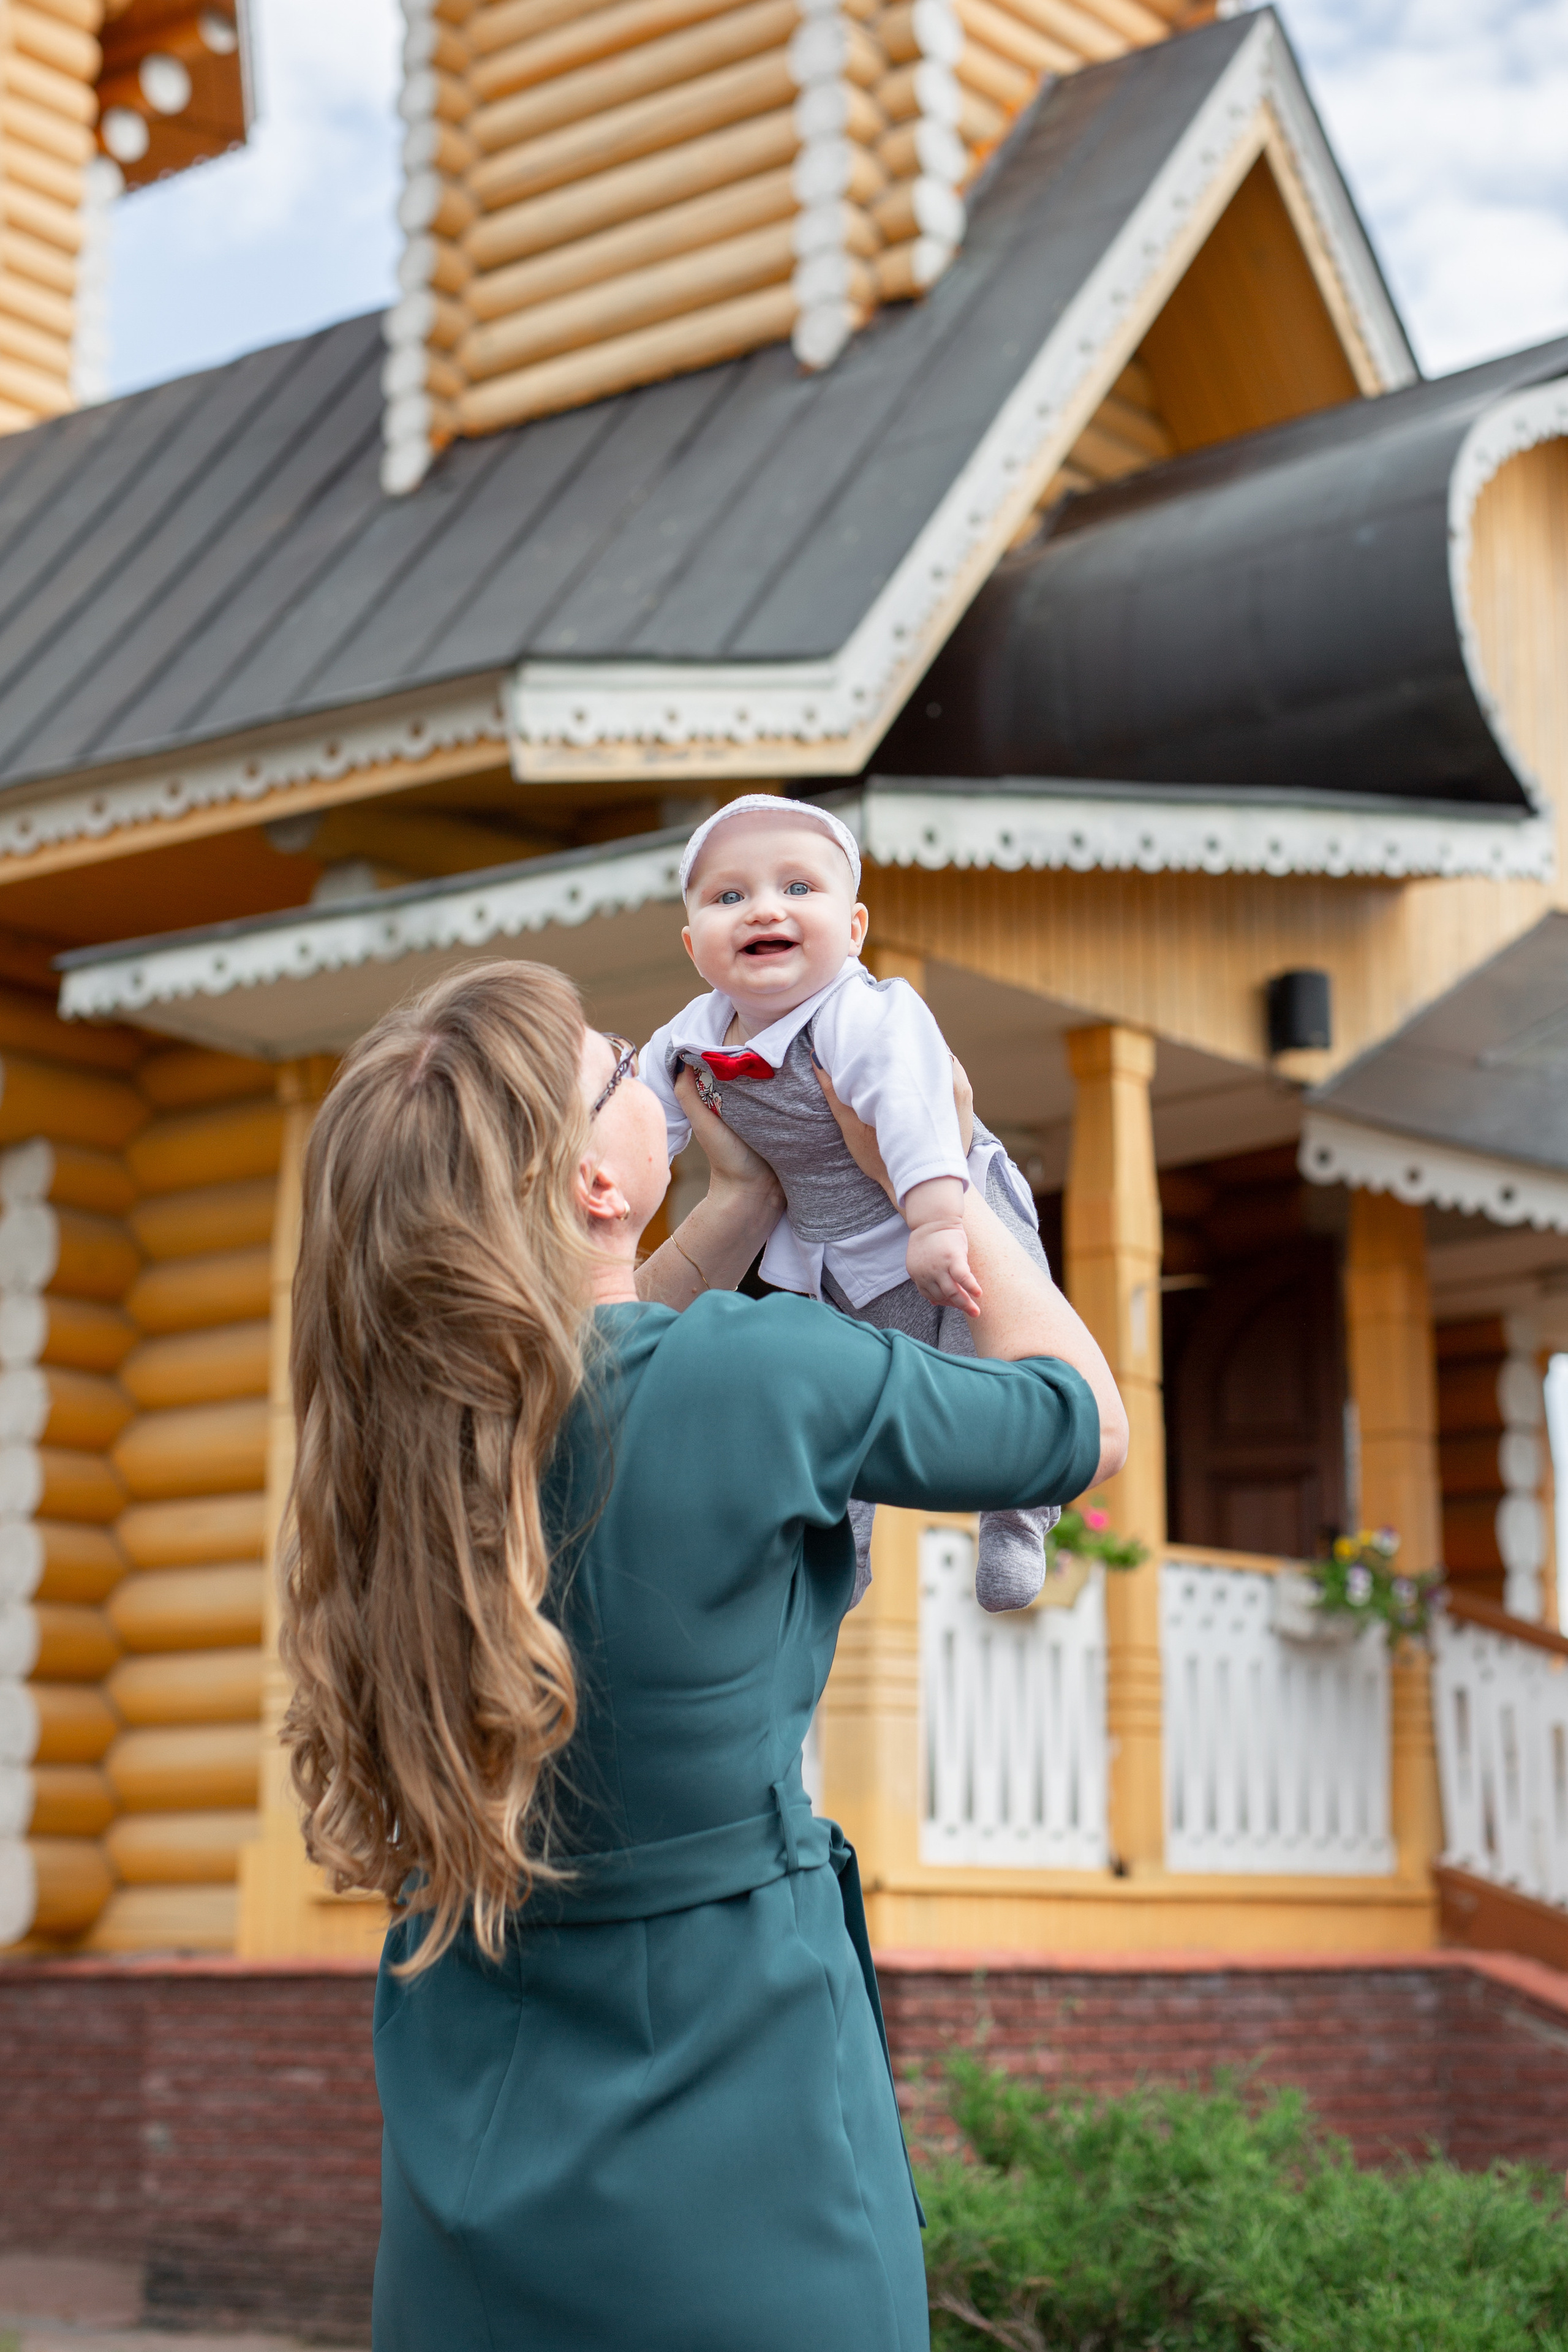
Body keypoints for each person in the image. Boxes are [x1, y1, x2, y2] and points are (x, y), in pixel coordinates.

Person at [279, 959, 1127, 2352]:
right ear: (595, 1187)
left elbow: (592, 1368)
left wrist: (737, 1202)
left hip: (469, 2174)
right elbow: (1080, 1423)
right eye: (628, 1067)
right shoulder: (763, 1369)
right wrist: (945, 1172)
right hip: (741, 2134)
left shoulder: (401, 1457)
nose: (662, 1072)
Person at [643, 791, 1063, 1610]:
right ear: (696, 945)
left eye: (799, 888)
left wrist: (939, 1219)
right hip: (830, 1253)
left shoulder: (865, 1014)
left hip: (936, 1206)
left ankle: (1015, 1515)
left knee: (994, 1353)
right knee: (830, 1392)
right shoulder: (695, 1033)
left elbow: (914, 1108)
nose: (765, 907)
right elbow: (642, 1122)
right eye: (730, 897)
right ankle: (845, 1546)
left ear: (856, 928)